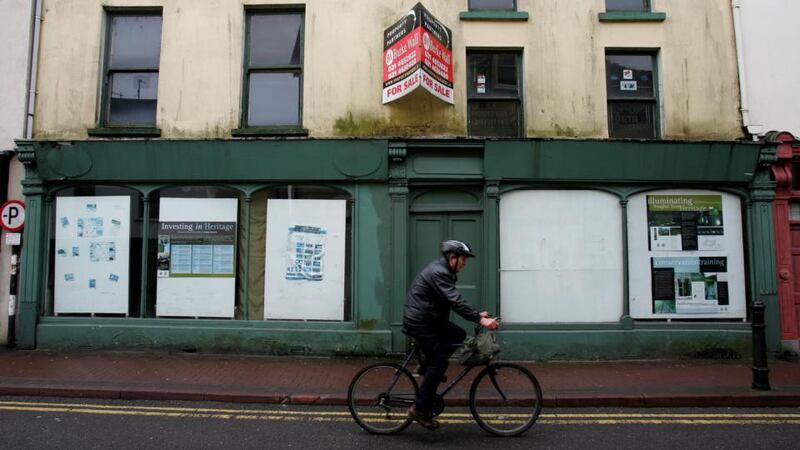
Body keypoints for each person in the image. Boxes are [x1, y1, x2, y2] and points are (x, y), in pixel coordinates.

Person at [402, 239, 499, 430]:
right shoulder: (439, 273)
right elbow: (455, 301)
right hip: (421, 322)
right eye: (463, 259)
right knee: (440, 362)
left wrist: (477, 314)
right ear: (452, 257)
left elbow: (455, 300)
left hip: (430, 319)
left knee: (458, 334)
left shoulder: (443, 271)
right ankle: (419, 409)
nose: (465, 263)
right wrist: (480, 320)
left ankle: (427, 368)